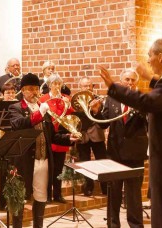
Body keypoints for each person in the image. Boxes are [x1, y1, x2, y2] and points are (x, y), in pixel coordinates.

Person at [98, 38, 162, 228]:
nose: (148, 60)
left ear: (160, 57)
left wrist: (113, 87)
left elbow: (147, 102)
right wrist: (151, 78)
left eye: (150, 56)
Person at [9, 73, 78, 228]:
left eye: (36, 89)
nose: (35, 92)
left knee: (41, 197)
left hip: (43, 160)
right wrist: (39, 113)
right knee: (19, 198)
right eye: (31, 89)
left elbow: (52, 136)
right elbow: (18, 124)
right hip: (24, 162)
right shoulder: (16, 107)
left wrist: (68, 138)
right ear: (23, 91)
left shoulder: (43, 107)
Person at [100, 69, 148, 228]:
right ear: (121, 81)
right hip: (115, 153)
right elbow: (104, 123)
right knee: (113, 193)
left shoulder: (141, 100)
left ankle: (135, 225)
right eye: (127, 79)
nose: (130, 82)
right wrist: (95, 112)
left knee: (134, 195)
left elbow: (148, 122)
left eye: (133, 80)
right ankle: (113, 224)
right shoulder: (112, 99)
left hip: (135, 154)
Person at [38, 73, 74, 203]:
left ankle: (57, 194)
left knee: (58, 168)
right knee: (48, 169)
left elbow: (71, 117)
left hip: (61, 137)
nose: (57, 86)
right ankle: (47, 195)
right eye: (54, 84)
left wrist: (68, 106)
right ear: (49, 85)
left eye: (59, 84)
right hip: (48, 136)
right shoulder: (43, 99)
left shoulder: (66, 98)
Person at [75, 76, 108, 196]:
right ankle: (88, 187)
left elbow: (104, 121)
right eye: (85, 86)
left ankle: (105, 187)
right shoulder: (76, 101)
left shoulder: (99, 100)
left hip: (97, 135)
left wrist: (96, 111)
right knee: (84, 162)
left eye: (89, 85)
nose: (87, 87)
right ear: (80, 87)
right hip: (83, 136)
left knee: (102, 161)